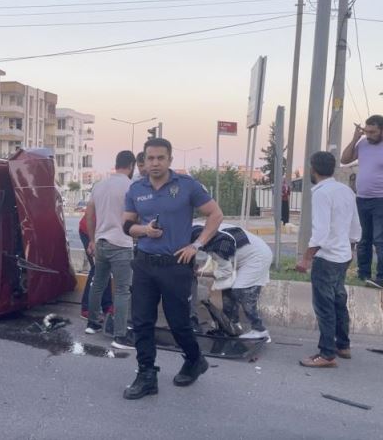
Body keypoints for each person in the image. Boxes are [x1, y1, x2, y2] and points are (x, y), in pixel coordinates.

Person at [121, 138, 224, 400]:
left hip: (176, 265)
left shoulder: (187, 186)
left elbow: (215, 214)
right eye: (150, 158)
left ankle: (194, 360)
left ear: (169, 160)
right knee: (142, 322)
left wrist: (197, 245)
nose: (155, 163)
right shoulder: (136, 189)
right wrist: (144, 230)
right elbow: (127, 226)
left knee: (178, 323)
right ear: (143, 160)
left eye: (160, 158)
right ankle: (146, 374)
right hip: (144, 263)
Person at [296, 152, 360, 368]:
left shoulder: (322, 193)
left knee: (325, 306)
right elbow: (355, 226)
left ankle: (327, 354)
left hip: (327, 258)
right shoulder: (346, 191)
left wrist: (306, 258)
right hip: (343, 256)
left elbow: (320, 231)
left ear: (313, 168)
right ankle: (343, 345)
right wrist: (349, 249)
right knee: (339, 301)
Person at [84, 151, 136, 350]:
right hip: (121, 244)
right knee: (122, 290)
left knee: (98, 284)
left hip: (101, 242)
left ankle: (92, 323)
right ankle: (120, 336)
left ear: (116, 164)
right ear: (131, 165)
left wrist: (92, 239)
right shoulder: (131, 187)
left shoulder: (100, 185)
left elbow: (89, 215)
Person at [193, 224, 273, 341]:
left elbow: (225, 272)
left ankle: (259, 330)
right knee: (228, 290)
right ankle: (232, 325)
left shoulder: (218, 248)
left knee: (242, 292)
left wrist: (200, 273)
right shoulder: (208, 231)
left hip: (257, 257)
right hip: (244, 254)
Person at [339, 114, 383, 285]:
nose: (369, 135)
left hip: (381, 200)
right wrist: (355, 138)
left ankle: (381, 277)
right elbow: (344, 159)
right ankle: (363, 275)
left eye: (373, 132)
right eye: (366, 131)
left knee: (380, 239)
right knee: (363, 238)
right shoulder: (363, 143)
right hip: (362, 199)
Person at [78, 211, 113, 320]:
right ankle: (86, 308)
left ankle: (107, 305)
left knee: (105, 267)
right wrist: (92, 241)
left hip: (104, 233)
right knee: (98, 268)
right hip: (89, 231)